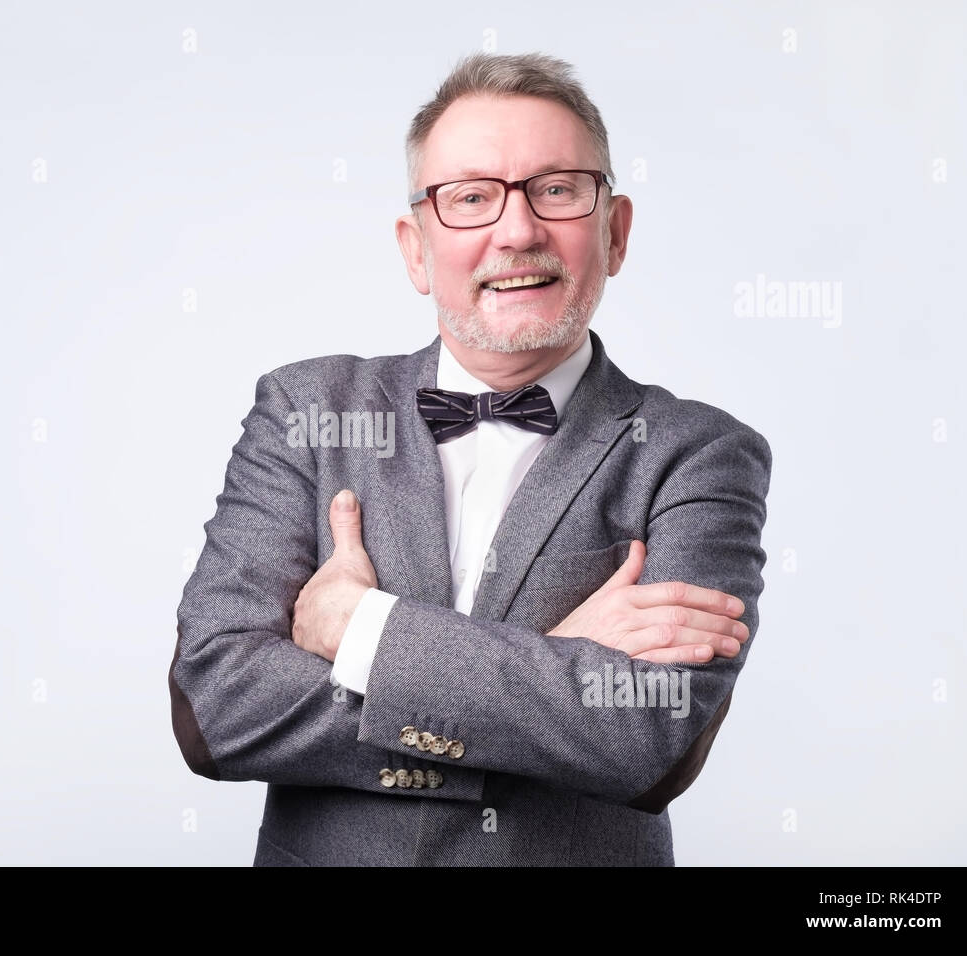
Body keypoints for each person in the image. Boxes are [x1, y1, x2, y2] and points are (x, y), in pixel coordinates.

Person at [169, 52, 772, 866]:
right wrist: (557, 668)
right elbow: (214, 711)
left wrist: (364, 630)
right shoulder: (306, 411)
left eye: (556, 189)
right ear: (416, 249)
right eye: (471, 199)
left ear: (615, 231)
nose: (517, 230)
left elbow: (651, 743)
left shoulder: (699, 453)